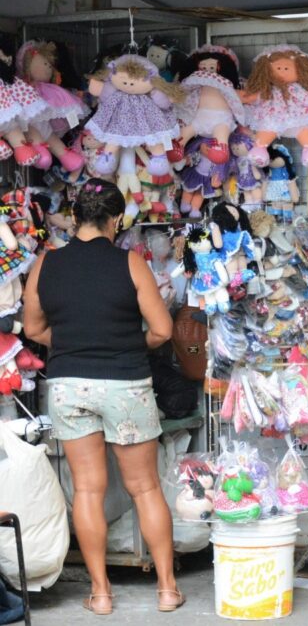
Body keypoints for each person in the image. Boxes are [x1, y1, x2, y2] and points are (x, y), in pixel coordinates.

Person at [21, 178, 182, 614]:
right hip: (125, 384)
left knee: (88, 490)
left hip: (69, 385)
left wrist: (77, 344)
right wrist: (125, 343)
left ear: (74, 218)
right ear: (116, 220)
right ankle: (167, 590)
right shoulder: (130, 263)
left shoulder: (46, 264)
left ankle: (100, 593)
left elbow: (33, 329)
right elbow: (163, 330)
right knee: (145, 488)